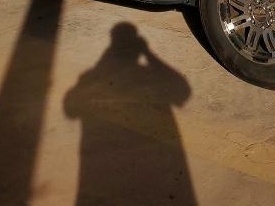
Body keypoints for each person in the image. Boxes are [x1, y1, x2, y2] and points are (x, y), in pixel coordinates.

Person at [64, 22, 195, 205]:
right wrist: (149, 54)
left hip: (106, 167)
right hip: (153, 167)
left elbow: (70, 109)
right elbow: (183, 91)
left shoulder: (90, 76)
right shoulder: (147, 74)